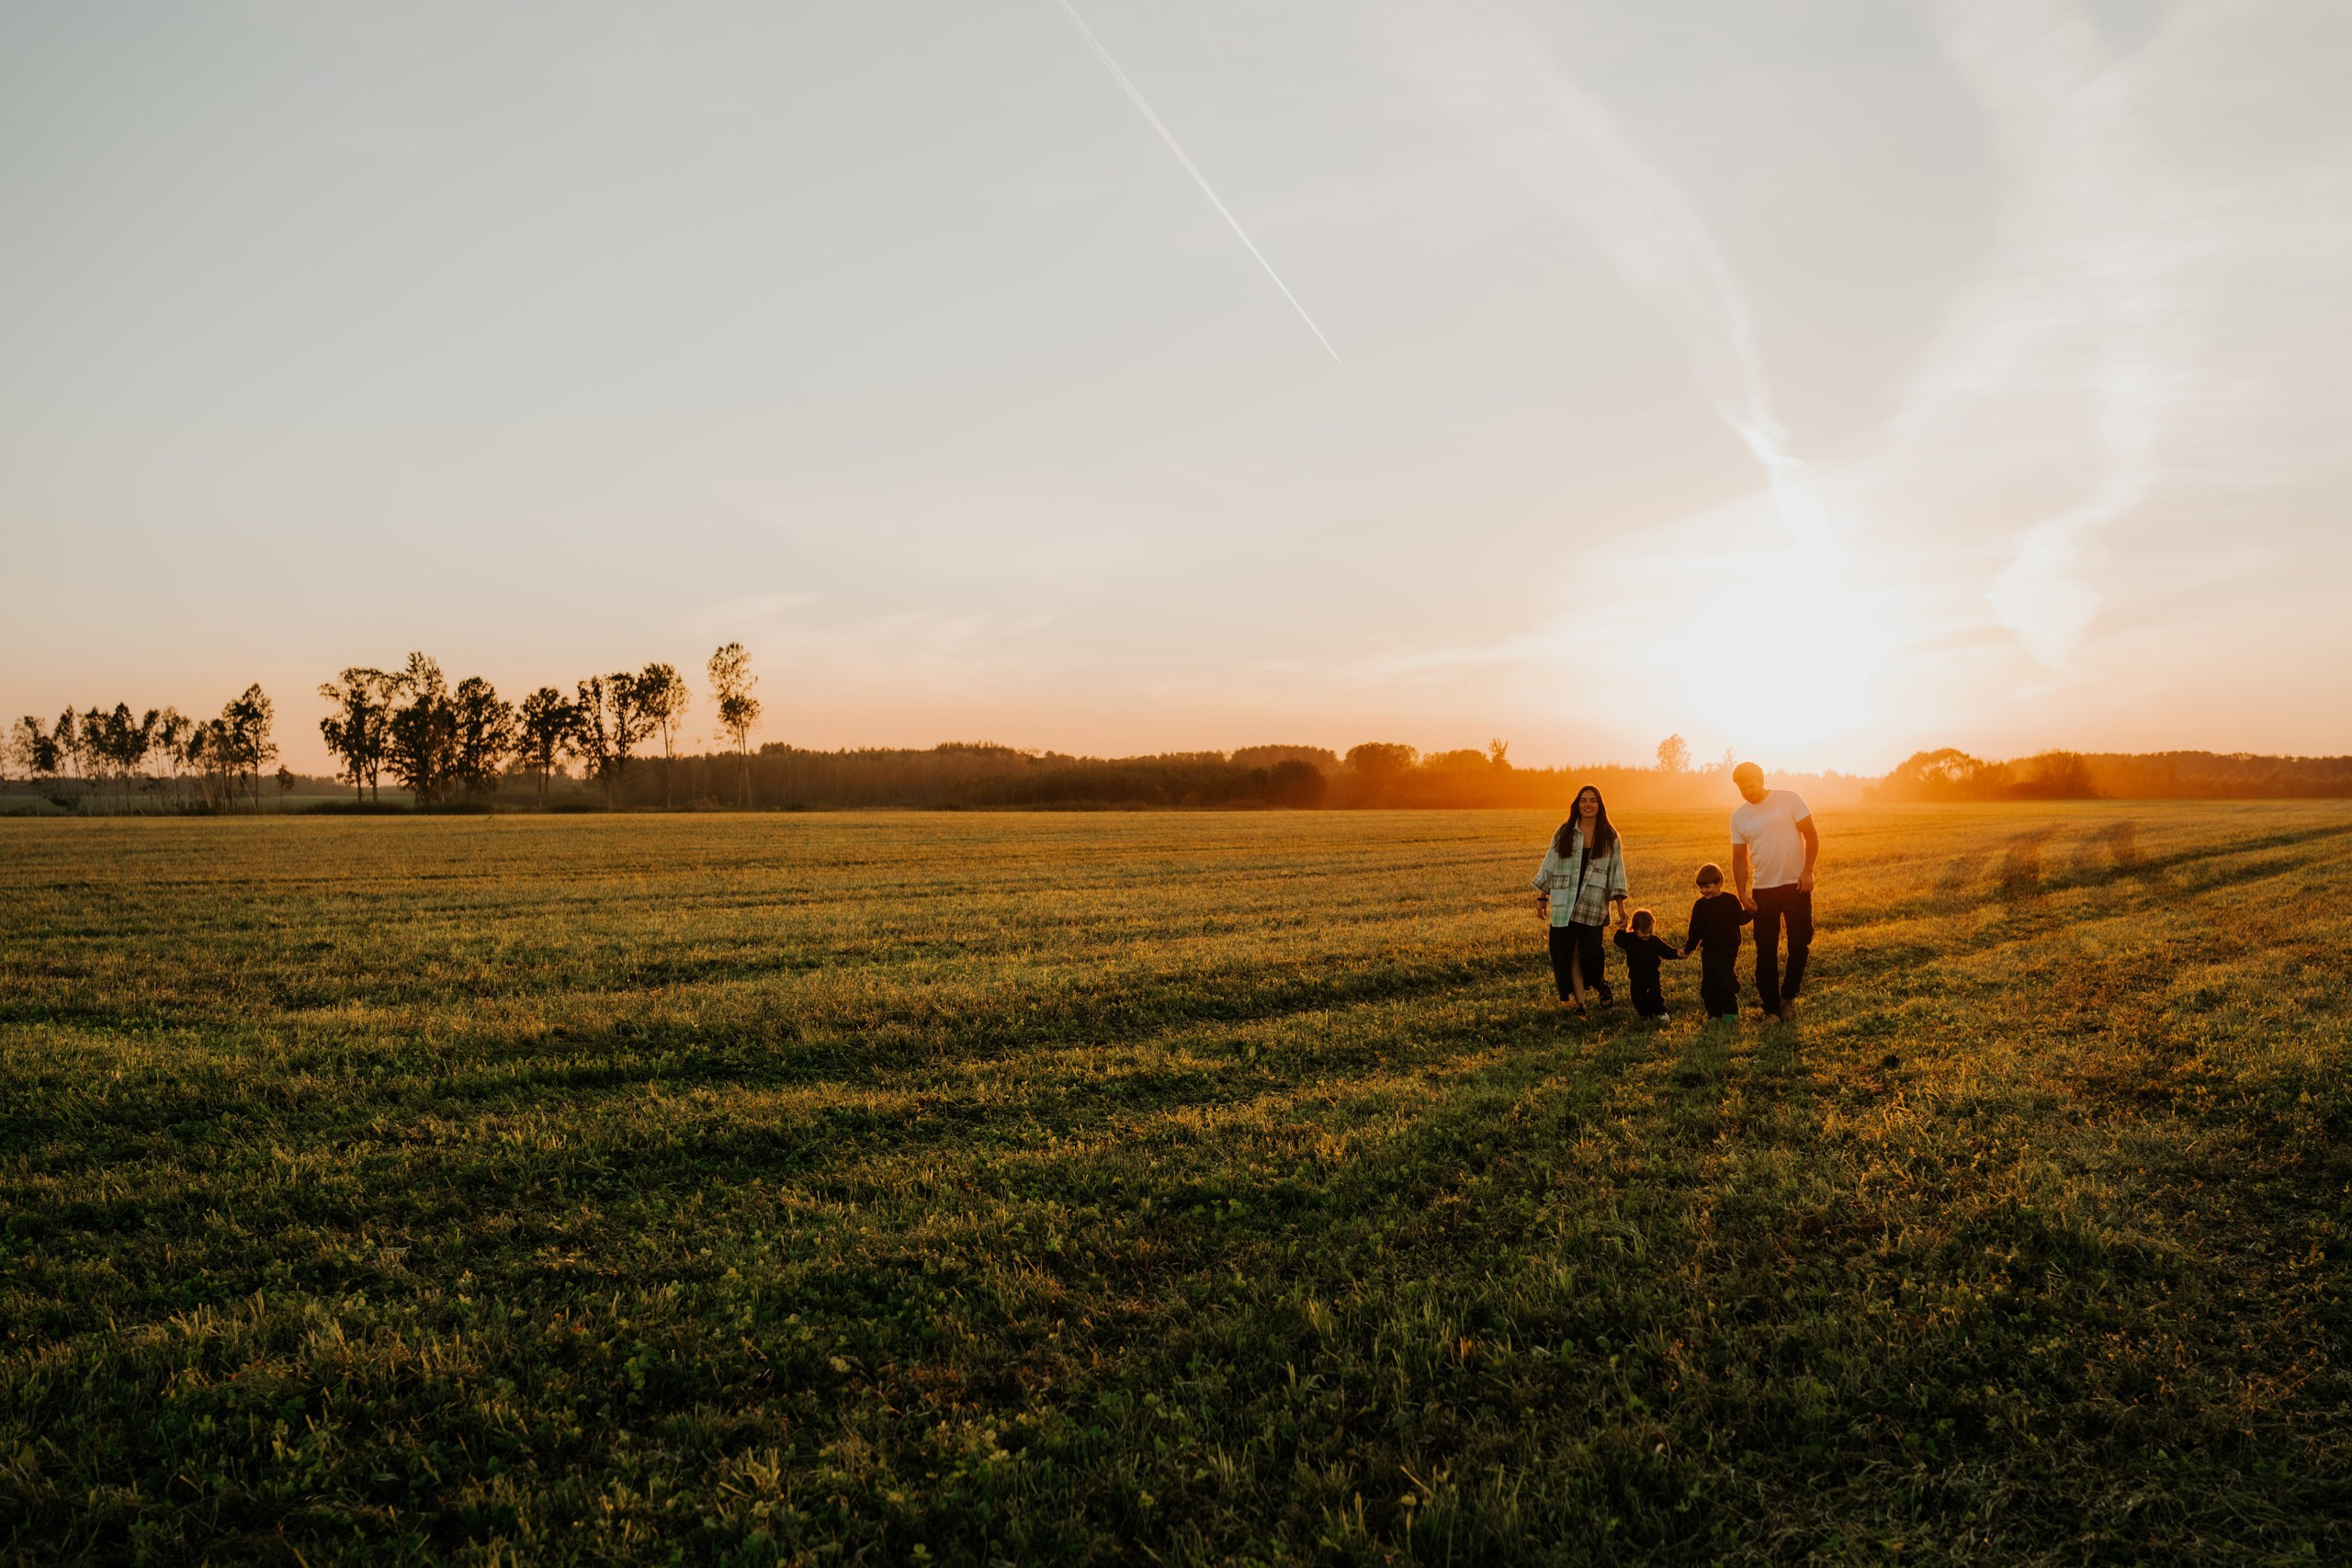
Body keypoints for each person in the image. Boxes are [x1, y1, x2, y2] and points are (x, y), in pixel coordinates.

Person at [1729, 761, 1818, 1021]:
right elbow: (1738, 858)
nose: (1748, 792)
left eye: (1751, 786)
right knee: (1765, 951)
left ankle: (1788, 998)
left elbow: (1811, 836)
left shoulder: (1789, 799)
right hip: (1763, 891)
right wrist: (1742, 893)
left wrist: (1808, 870)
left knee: (1799, 946)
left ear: (1762, 779)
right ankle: (1770, 1008)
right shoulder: (1739, 816)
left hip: (1796, 885)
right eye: (1742, 788)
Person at [1531, 784, 1630, 1015]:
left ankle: (1600, 982)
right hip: (1564, 902)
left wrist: (1620, 908)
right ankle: (1581, 1005)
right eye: (1584, 800)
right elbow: (1550, 863)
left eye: (1593, 800)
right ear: (1577, 805)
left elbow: (1617, 872)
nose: (1588, 804)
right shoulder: (1564, 832)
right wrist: (1541, 896)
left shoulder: (1610, 836)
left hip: (1592, 903)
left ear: (1600, 805)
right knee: (1570, 953)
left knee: (1591, 952)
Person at [1680, 862, 1751, 1020]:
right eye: (1701, 887)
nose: (1704, 891)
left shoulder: (1730, 900)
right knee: (1708, 984)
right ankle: (1714, 1014)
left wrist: (1751, 912)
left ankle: (1731, 1014)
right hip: (1709, 950)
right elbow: (1695, 931)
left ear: (1719, 884)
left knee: (1723, 980)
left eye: (1708, 887)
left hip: (1728, 948)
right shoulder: (1700, 906)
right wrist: (1688, 949)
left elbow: (1739, 919)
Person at [1612, 908, 1683, 1020]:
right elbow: (1618, 940)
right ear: (1634, 929)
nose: (1647, 935)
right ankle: (1645, 1013)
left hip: (1652, 974)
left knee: (1655, 993)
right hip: (1636, 975)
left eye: (1650, 931)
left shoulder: (1654, 941)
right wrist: (1622, 929)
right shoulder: (1630, 939)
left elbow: (1665, 951)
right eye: (1644, 932)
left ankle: (1660, 1011)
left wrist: (1676, 953)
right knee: (1637, 996)